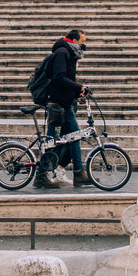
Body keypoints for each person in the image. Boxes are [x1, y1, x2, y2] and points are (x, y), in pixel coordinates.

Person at [35, 30, 89, 189]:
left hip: (64, 104)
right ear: (74, 40)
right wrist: (79, 86)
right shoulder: (62, 53)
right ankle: (41, 175)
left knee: (74, 137)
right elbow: (59, 78)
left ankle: (79, 173)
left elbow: (67, 81)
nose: (85, 44)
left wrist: (76, 94)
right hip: (57, 105)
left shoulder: (69, 54)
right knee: (52, 142)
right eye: (83, 41)